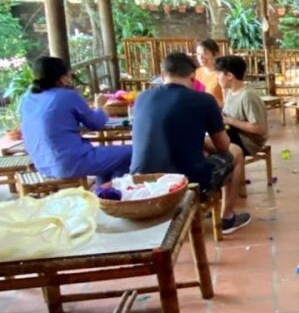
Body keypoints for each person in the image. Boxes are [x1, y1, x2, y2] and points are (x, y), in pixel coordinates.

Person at [131, 52, 250, 234]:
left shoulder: (142, 98)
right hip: (185, 181)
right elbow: (223, 146)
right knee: (236, 153)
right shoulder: (204, 100)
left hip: (142, 180)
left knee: (196, 149)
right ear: (193, 76)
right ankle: (227, 218)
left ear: (162, 75)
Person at [20, 56, 132, 184]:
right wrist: (99, 106)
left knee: (108, 160)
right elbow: (96, 123)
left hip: (42, 164)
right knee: (132, 152)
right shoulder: (67, 96)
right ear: (62, 77)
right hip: (69, 163)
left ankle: (102, 191)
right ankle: (114, 191)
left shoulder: (27, 99)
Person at [214, 55, 268, 157]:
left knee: (206, 142)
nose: (217, 78)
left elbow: (260, 128)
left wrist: (230, 121)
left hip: (248, 142)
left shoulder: (247, 95)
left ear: (229, 76)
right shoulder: (230, 92)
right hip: (234, 133)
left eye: (219, 74)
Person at [195, 38, 224, 106]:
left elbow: (229, 104)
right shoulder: (197, 72)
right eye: (198, 54)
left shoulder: (222, 75)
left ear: (216, 54)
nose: (201, 57)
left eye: (205, 54)